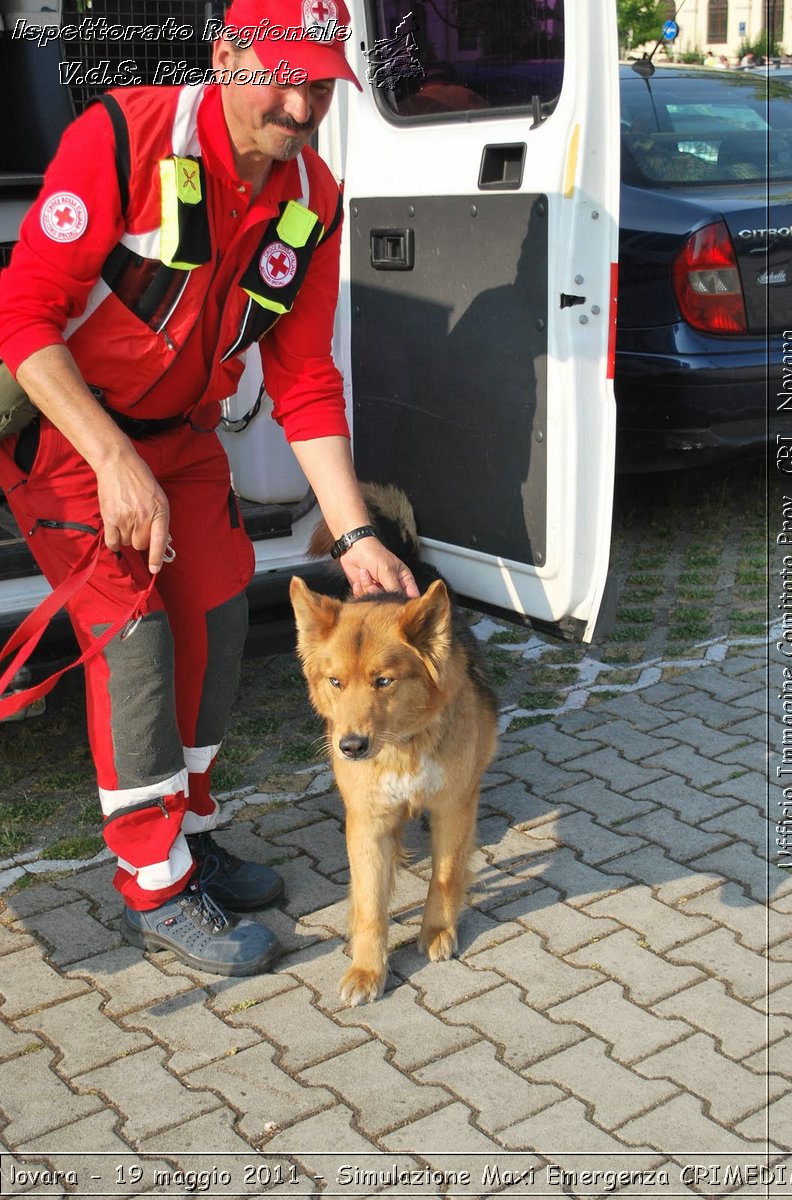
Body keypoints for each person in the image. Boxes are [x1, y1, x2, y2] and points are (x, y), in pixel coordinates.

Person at [0, 0, 417, 977]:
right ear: (223, 54)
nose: (296, 98)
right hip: (71, 434)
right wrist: (110, 460)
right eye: (275, 71)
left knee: (220, 617)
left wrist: (355, 537)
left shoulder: (313, 196)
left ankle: (187, 831)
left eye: (317, 80)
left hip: (179, 442)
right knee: (135, 637)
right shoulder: (122, 139)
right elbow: (25, 321)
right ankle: (152, 883)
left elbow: (304, 378)